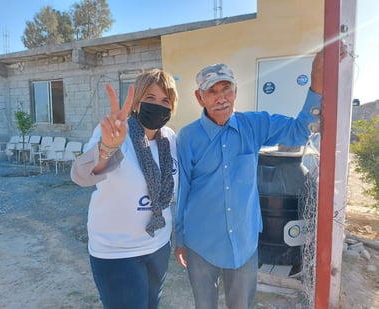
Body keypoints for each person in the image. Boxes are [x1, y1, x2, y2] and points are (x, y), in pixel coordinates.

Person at [174, 50, 331, 309]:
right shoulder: (188, 137)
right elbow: (183, 191)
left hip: (244, 241)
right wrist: (180, 240)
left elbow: (298, 131)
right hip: (201, 241)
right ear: (199, 97)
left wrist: (316, 81)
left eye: (226, 89)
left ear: (236, 92)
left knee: (241, 305)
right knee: (204, 305)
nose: (221, 97)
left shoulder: (254, 125)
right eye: (212, 91)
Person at [71, 69, 179, 309]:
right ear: (137, 101)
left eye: (165, 100)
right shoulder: (116, 133)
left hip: (158, 245)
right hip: (117, 252)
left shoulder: (169, 138)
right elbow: (81, 176)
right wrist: (107, 149)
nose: (158, 105)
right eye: (150, 98)